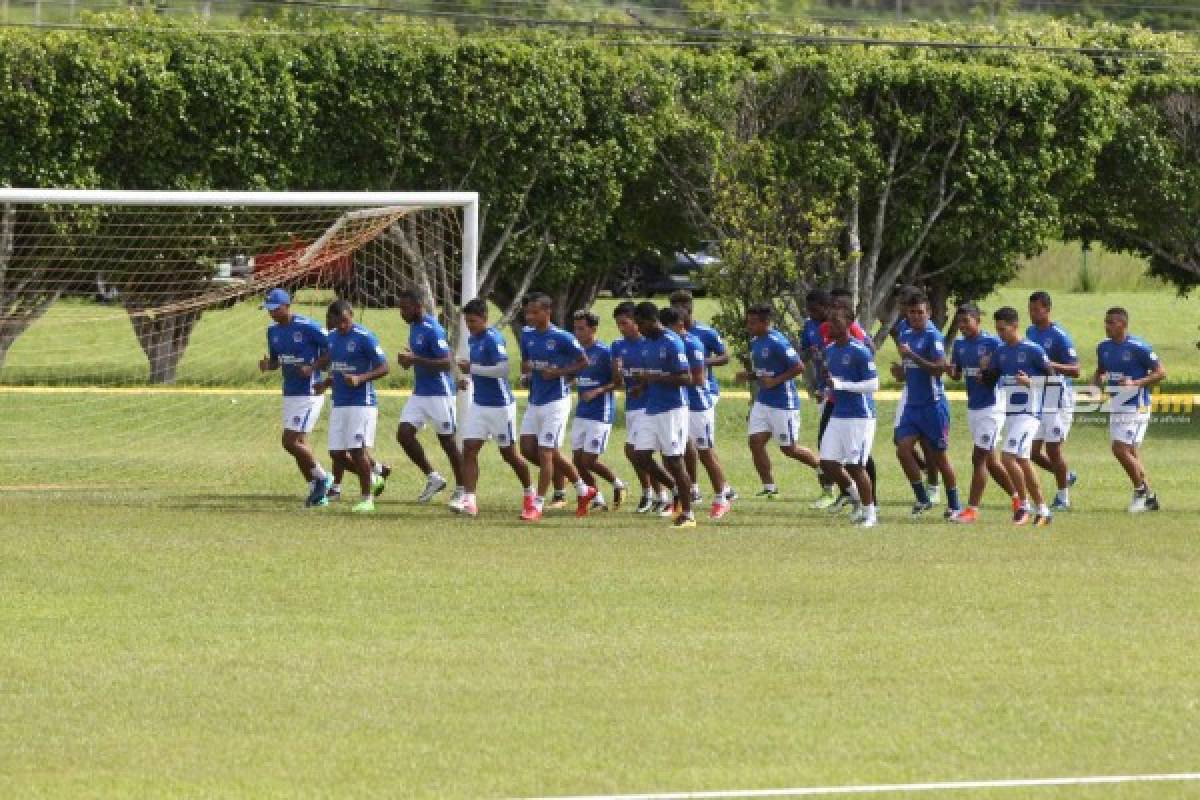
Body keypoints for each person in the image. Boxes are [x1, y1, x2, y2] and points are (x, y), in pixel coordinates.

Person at [518, 293, 597, 521]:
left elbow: (583, 361)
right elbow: (525, 360)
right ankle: (583, 490)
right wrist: (527, 374)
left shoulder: (562, 337)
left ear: (546, 312)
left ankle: (537, 505)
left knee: (545, 452)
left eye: (534, 312)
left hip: (556, 402)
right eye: (527, 313)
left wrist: (559, 373)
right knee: (527, 448)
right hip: (535, 400)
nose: (530, 316)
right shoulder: (527, 336)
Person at [455, 298, 534, 518]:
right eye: (467, 321)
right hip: (480, 404)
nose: (469, 326)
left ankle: (530, 493)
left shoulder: (493, 338)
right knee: (469, 448)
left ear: (484, 319)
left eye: (473, 321)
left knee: (509, 455)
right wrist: (468, 377)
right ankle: (470, 500)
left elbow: (502, 370)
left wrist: (472, 368)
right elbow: (481, 371)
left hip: (500, 406)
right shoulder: (473, 339)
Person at [256, 288, 333, 507]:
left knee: (289, 441)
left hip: (309, 392)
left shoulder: (307, 326)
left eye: (275, 309)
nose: (271, 314)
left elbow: (331, 348)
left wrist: (315, 367)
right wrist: (267, 365)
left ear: (287, 306)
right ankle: (316, 489)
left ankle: (321, 478)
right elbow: (275, 360)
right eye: (268, 310)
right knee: (298, 443)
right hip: (290, 392)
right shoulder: (272, 331)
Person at [945, 303, 1020, 524]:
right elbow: (958, 374)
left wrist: (989, 372)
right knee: (991, 462)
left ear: (977, 320)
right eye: (959, 322)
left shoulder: (992, 343)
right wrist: (951, 370)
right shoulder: (959, 345)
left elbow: (1005, 369)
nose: (962, 326)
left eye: (966, 321)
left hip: (992, 407)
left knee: (978, 458)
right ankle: (1019, 499)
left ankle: (972, 510)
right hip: (974, 408)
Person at [736, 303, 820, 497]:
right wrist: (749, 376)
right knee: (755, 442)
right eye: (748, 322)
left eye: (753, 323)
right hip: (763, 401)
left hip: (783, 402)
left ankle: (823, 468)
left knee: (789, 449)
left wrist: (775, 381)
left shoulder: (778, 342)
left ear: (766, 323)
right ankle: (769, 487)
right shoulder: (756, 341)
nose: (749, 326)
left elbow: (798, 366)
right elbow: (765, 370)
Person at [892, 292, 961, 519]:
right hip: (913, 405)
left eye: (920, 312)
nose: (916, 316)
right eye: (912, 312)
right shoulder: (905, 332)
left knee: (939, 456)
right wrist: (900, 372)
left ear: (928, 313)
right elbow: (907, 370)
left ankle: (954, 505)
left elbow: (938, 368)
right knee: (903, 450)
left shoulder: (933, 336)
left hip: (933, 406)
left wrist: (912, 356)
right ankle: (922, 498)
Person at [317, 300, 390, 514]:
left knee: (357, 450)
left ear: (352, 316)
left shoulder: (364, 337)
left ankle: (367, 499)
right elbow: (338, 367)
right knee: (336, 453)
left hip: (362, 402)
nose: (342, 326)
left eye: (345, 321)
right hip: (339, 401)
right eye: (338, 322)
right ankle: (374, 476)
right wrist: (326, 383)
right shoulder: (331, 338)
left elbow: (384, 367)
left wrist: (360, 378)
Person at [395, 289, 466, 509]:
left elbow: (446, 362)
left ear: (418, 307)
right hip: (420, 393)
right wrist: (410, 361)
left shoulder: (433, 329)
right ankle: (433, 477)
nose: (401, 312)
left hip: (439, 393)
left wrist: (415, 358)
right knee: (404, 434)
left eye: (405, 308)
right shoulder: (414, 327)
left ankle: (463, 489)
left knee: (448, 442)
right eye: (400, 308)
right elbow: (423, 358)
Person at [986, 306, 1054, 527]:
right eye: (997, 330)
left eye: (1003, 329)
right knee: (1023, 461)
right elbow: (991, 379)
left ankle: (1023, 506)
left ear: (1015, 326)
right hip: (1011, 416)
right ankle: (1043, 510)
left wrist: (1031, 383)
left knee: (1007, 457)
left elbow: (1054, 382)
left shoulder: (1033, 350)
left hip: (1029, 415)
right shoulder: (1000, 351)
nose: (1000, 334)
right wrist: (983, 372)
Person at [630, 302, 696, 528]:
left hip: (673, 409)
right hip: (652, 407)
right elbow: (654, 374)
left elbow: (686, 378)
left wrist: (654, 378)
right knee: (640, 455)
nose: (638, 329)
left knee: (674, 461)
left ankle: (688, 513)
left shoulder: (672, 342)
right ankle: (676, 489)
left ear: (651, 320)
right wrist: (643, 386)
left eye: (640, 323)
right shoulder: (647, 343)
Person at [1094, 307, 1165, 513]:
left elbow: (1161, 372)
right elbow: (1100, 372)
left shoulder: (1138, 347)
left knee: (1120, 449)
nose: (1106, 326)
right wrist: (1096, 383)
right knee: (1131, 452)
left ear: (1123, 324)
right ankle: (1150, 498)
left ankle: (1140, 492)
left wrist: (1136, 383)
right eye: (1105, 322)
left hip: (1136, 405)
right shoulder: (1103, 347)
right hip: (1117, 404)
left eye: (1111, 323)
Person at [664, 307, 732, 519]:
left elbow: (700, 378)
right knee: (676, 451)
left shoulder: (692, 344)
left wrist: (666, 378)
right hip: (679, 405)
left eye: (668, 328)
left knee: (705, 451)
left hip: (697, 405)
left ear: (679, 325)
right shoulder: (669, 344)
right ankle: (683, 495)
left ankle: (722, 496)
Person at [820, 289, 880, 514]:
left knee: (856, 465)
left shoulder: (860, 351)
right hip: (838, 414)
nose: (830, 326)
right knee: (828, 462)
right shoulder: (830, 351)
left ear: (849, 324)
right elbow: (836, 382)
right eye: (829, 321)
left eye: (836, 322)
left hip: (859, 416)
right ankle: (855, 497)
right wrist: (827, 392)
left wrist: (842, 386)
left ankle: (870, 513)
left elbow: (873, 385)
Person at [611, 301, 668, 513]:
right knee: (636, 452)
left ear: (636, 322)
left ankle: (663, 493)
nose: (621, 328)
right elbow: (617, 381)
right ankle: (649, 493)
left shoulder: (648, 343)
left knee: (637, 450)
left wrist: (642, 385)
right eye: (618, 324)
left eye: (624, 323)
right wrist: (617, 370)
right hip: (631, 405)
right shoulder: (617, 346)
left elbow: (655, 373)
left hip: (648, 405)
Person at [1026, 291, 1080, 510]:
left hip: (1059, 395)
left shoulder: (1059, 336)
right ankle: (1065, 476)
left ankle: (1063, 497)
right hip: (1039, 395)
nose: (1032, 313)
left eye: (1036, 309)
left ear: (1047, 310)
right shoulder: (1030, 332)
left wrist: (1049, 364)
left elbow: (1076, 370)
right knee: (1031, 452)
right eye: (1030, 309)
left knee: (1053, 449)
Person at [570, 309, 626, 512]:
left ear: (593, 329)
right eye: (575, 328)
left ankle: (618, 484)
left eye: (581, 328)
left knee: (588, 459)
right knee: (577, 459)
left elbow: (618, 382)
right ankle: (597, 497)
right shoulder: (576, 351)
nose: (577, 332)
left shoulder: (604, 352)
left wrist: (598, 391)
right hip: (582, 411)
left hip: (600, 412)